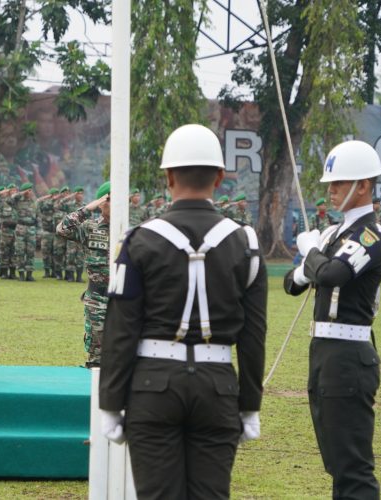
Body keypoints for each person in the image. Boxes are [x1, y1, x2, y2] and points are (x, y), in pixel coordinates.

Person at [99, 124, 267, 499]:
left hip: (152, 387)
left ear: (169, 176)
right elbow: (254, 336)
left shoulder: (139, 240)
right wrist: (250, 404)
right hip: (218, 386)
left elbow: (121, 329)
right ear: (220, 177)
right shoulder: (246, 243)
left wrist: (111, 402)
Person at [284, 140, 381, 499]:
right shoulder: (334, 234)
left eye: (339, 183)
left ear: (364, 186)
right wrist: (301, 272)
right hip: (325, 354)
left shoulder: (371, 236)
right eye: (330, 183)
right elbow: (291, 284)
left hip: (349, 356)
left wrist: (310, 253)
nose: (331, 190)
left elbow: (332, 275)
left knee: (353, 468)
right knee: (337, 463)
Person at [56, 182, 111, 367]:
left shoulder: (133, 230)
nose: (114, 204)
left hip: (126, 298)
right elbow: (62, 229)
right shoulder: (90, 227)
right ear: (100, 203)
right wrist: (87, 209)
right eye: (109, 200)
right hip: (97, 297)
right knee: (97, 355)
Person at [10, 182, 38, 281]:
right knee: (20, 251)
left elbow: (38, 216)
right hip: (21, 228)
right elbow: (10, 199)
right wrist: (22, 193)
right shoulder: (18, 201)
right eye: (28, 190)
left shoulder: (34, 202)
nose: (30, 192)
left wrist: (39, 231)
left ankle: (29, 274)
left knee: (30, 252)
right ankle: (21, 273)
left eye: (31, 190)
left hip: (31, 228)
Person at [37, 187, 59, 278]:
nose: (56, 196)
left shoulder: (59, 205)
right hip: (47, 232)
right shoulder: (45, 204)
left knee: (56, 253)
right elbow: (38, 202)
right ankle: (47, 271)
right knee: (46, 253)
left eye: (57, 194)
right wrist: (49, 197)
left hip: (57, 233)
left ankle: (54, 272)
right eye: (55, 194)